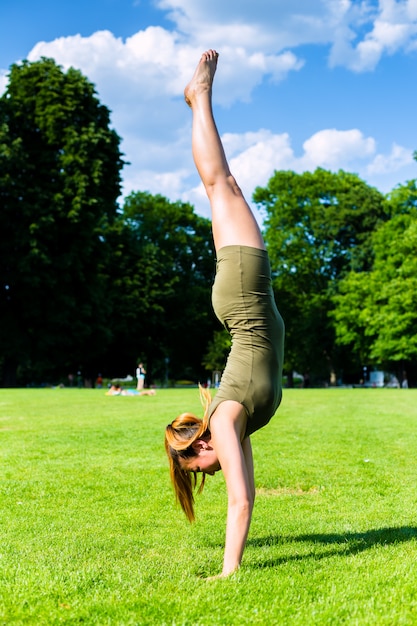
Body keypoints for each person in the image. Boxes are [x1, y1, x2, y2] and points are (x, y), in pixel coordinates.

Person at [164, 50, 285, 579]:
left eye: (199, 468)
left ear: (202, 445)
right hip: (243, 301)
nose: (208, 474)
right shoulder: (233, 426)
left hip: (244, 298)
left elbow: (238, 501)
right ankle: (198, 99)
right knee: (221, 189)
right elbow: (248, 495)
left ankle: (200, 96)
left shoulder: (227, 418)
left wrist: (228, 570)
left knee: (223, 186)